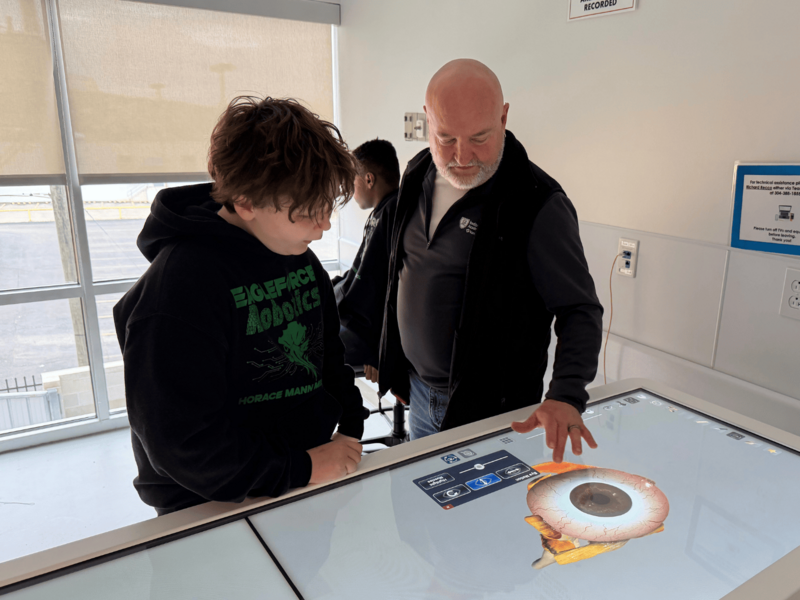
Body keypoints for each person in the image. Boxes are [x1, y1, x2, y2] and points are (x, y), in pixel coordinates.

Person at [113, 96, 368, 516]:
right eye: (306, 212)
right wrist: (300, 467)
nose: (322, 227)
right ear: (246, 201)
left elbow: (330, 358)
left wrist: (350, 427)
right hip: (209, 506)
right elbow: (183, 446)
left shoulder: (295, 253)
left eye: (325, 208)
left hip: (305, 479)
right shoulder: (175, 291)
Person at [377, 59, 603, 462]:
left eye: (479, 137)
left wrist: (567, 395)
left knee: (477, 521)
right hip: (416, 395)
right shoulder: (417, 174)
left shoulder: (536, 203)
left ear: (503, 117)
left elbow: (579, 309)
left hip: (488, 412)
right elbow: (401, 270)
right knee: (421, 516)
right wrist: (392, 360)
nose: (461, 156)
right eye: (445, 137)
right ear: (427, 119)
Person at [331, 139, 400, 380]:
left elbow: (389, 291)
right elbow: (359, 273)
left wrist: (379, 351)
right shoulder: (380, 213)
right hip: (355, 321)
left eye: (353, 181)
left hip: (366, 334)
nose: (350, 190)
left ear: (369, 180)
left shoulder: (392, 216)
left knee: (300, 352)